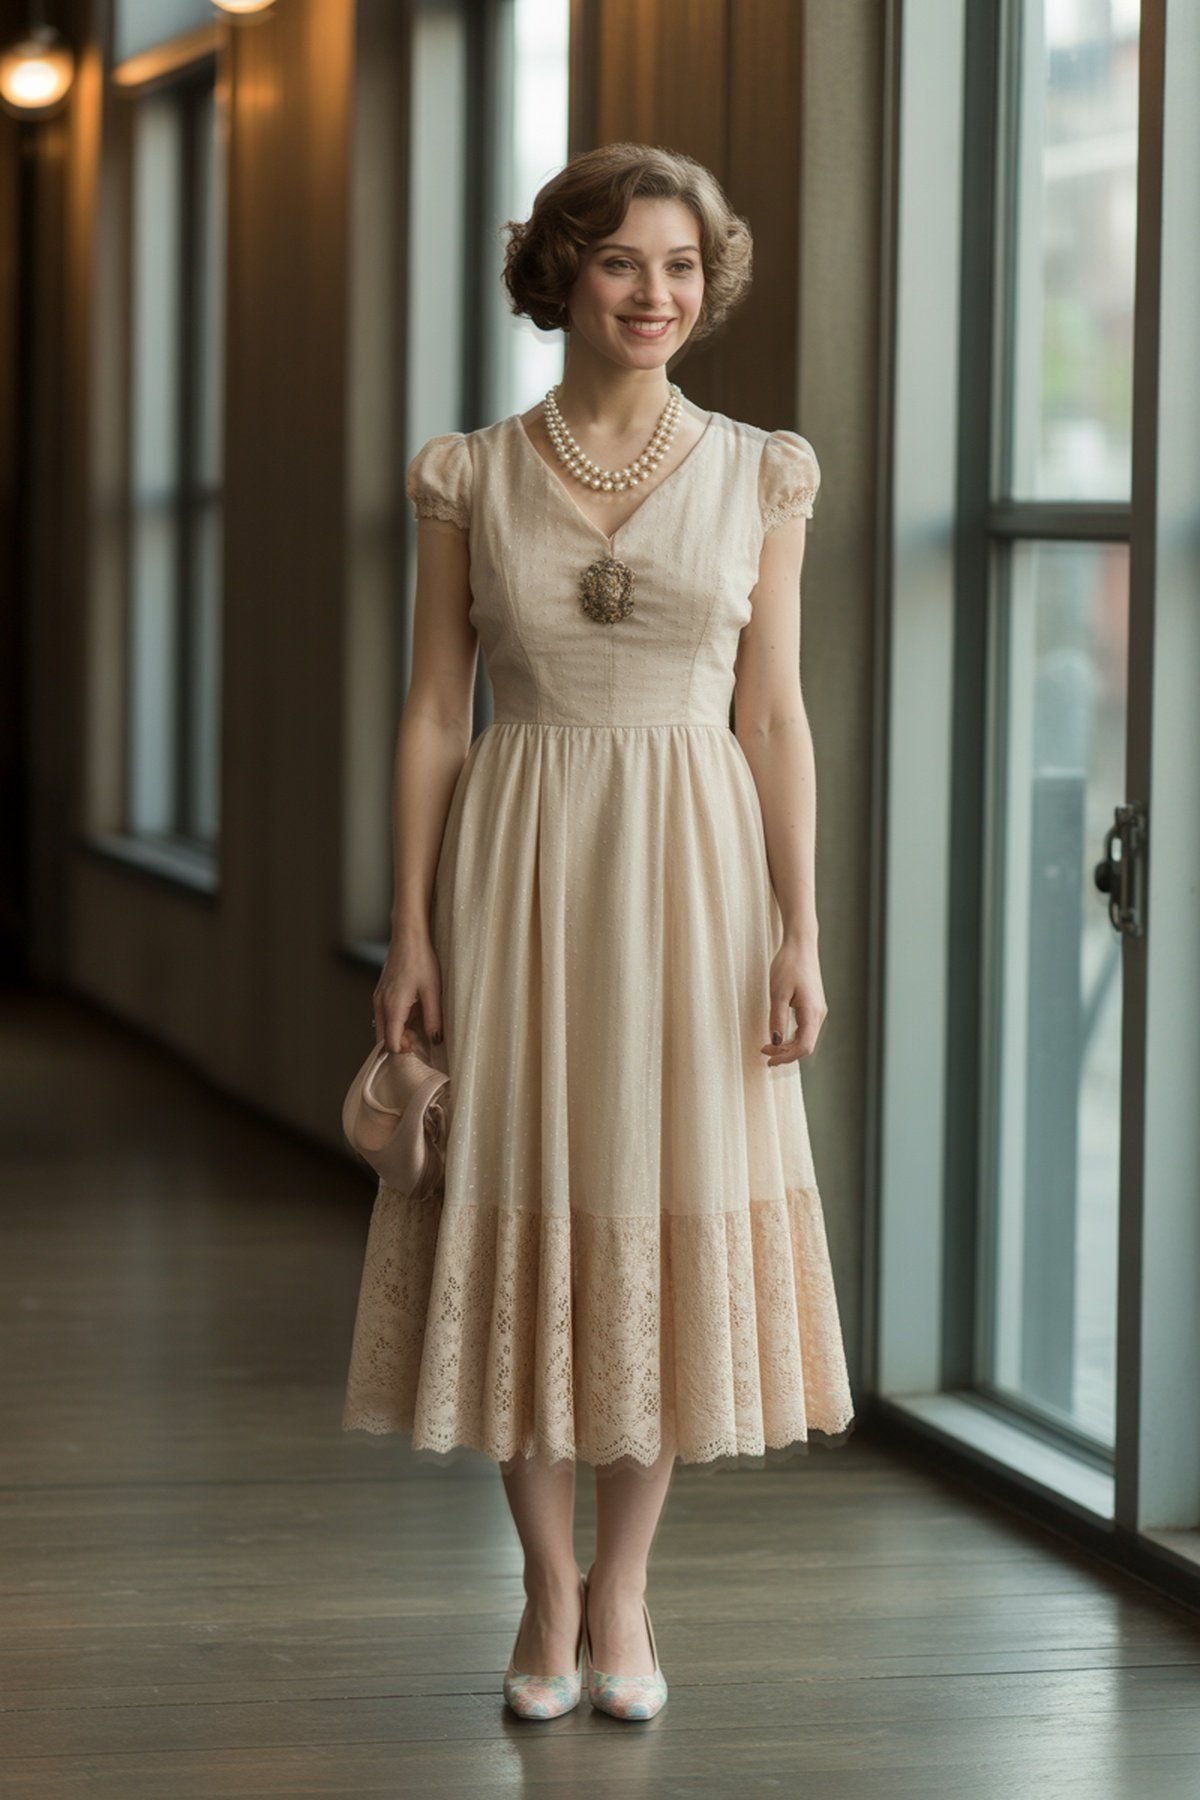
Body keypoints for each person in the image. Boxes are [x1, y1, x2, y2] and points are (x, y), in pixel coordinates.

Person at [342, 141, 855, 1723]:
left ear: (712, 284)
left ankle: (623, 1591)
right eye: (624, 260)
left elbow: (774, 713)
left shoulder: (767, 469)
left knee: (659, 1195)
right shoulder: (467, 472)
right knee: (525, 1193)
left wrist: (799, 926)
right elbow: (437, 709)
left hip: (698, 865)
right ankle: (542, 1585)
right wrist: (409, 922)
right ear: (560, 268)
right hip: (517, 856)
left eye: (683, 267)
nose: (656, 293)